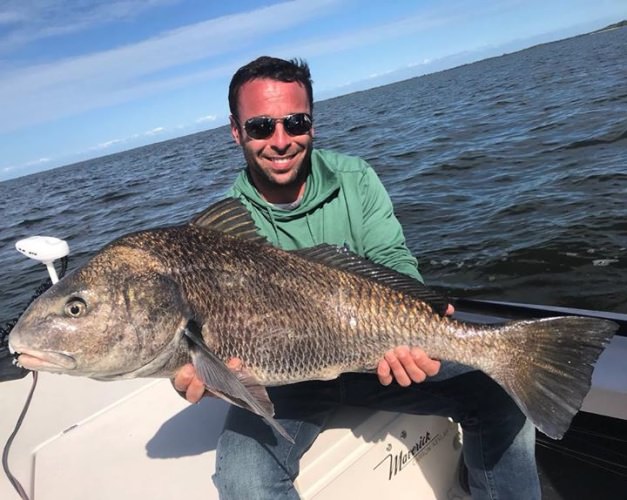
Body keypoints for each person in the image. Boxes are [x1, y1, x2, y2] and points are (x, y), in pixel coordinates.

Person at [173, 56, 540, 499]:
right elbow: (201, 340)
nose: (281, 140)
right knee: (243, 480)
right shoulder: (216, 231)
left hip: (377, 356)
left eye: (295, 122)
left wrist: (415, 322)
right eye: (261, 127)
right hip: (287, 381)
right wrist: (203, 375)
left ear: (312, 123)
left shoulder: (356, 178)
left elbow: (393, 261)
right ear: (236, 131)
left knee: (505, 399)